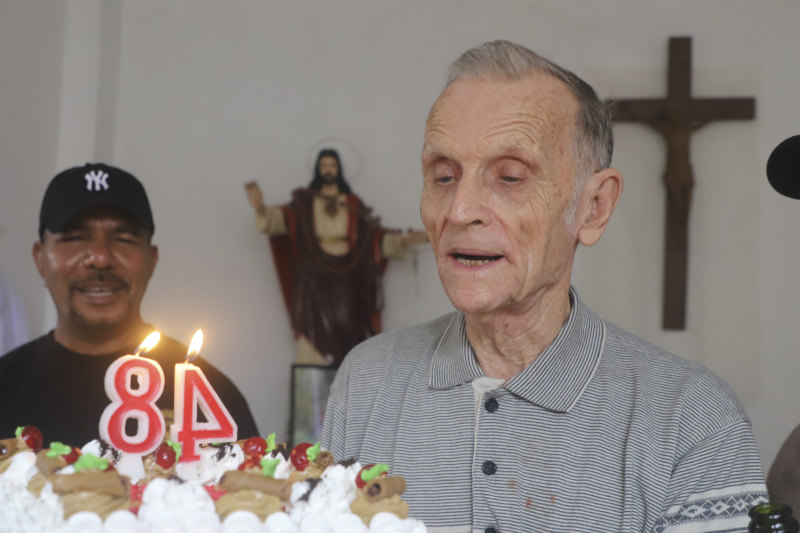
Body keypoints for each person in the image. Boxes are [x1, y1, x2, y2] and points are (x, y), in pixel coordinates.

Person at [320, 41, 767, 532]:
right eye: (444, 176)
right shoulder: (367, 384)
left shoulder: (692, 418)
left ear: (593, 207)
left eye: (510, 177)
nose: (459, 210)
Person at [0, 163, 259, 445]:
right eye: (74, 238)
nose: (100, 257)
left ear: (152, 259)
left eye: (123, 238)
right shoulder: (5, 385)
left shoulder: (211, 397)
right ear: (40, 259)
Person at [245, 148, 426, 366]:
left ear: (339, 169)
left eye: (332, 166)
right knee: (313, 329)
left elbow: (371, 239)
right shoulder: (303, 203)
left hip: (348, 277)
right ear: (317, 170)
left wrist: (404, 240)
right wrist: (261, 208)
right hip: (313, 277)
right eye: (324, 166)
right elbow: (281, 220)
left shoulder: (352, 204)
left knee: (350, 324)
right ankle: (315, 369)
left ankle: (350, 373)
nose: (328, 170)